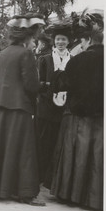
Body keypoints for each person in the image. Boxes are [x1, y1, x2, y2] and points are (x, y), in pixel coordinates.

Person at [0, 13, 46, 206]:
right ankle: (24, 193)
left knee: (1, 146)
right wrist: (44, 88)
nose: (33, 42)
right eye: (33, 38)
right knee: (22, 149)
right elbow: (31, 85)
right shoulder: (26, 54)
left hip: (0, 106)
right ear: (27, 37)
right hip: (19, 107)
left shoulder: (3, 53)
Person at [49, 10, 104, 211]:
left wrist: (56, 74)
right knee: (97, 157)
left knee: (78, 156)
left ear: (88, 39)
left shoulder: (79, 59)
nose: (81, 45)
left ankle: (71, 195)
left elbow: (61, 85)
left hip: (79, 118)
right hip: (103, 118)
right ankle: (96, 199)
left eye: (82, 41)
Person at [36, 23, 73, 184]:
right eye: (58, 39)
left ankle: (53, 179)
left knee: (58, 143)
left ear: (68, 41)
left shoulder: (72, 60)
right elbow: (39, 83)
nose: (60, 42)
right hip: (46, 107)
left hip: (63, 108)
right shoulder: (45, 59)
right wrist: (48, 89)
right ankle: (40, 175)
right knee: (43, 142)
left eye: (63, 39)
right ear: (54, 41)